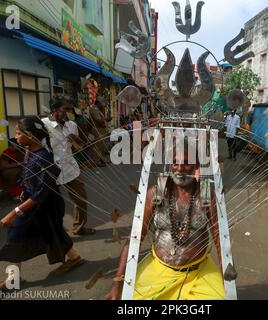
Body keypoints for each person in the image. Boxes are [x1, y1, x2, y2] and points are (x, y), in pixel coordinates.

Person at [105, 146, 226, 300]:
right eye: (175, 163)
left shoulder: (207, 195)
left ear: (196, 166)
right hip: (158, 271)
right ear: (170, 166)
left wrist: (227, 283)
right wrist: (117, 283)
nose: (180, 168)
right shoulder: (157, 193)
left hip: (198, 274)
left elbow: (221, 241)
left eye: (187, 163)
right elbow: (135, 238)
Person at [0, 117, 84, 295]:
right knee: (53, 231)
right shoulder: (31, 150)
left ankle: (13, 278)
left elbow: (40, 194)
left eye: (18, 133)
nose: (15, 138)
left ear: (30, 136)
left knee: (15, 234)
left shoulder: (43, 158)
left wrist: (14, 212)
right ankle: (74, 257)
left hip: (43, 206)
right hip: (39, 204)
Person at [42, 96, 96, 236]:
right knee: (52, 205)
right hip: (51, 171)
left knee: (81, 199)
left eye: (69, 110)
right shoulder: (43, 125)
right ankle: (55, 233)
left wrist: (76, 139)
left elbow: (78, 147)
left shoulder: (72, 125)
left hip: (71, 169)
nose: (68, 113)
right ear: (54, 110)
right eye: (65, 109)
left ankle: (79, 228)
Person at [88, 100, 108, 167]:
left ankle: (100, 159)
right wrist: (105, 120)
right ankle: (95, 161)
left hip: (101, 129)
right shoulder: (94, 109)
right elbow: (98, 120)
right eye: (102, 104)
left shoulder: (98, 109)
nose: (102, 105)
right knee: (98, 146)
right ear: (98, 103)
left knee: (102, 146)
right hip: (97, 129)